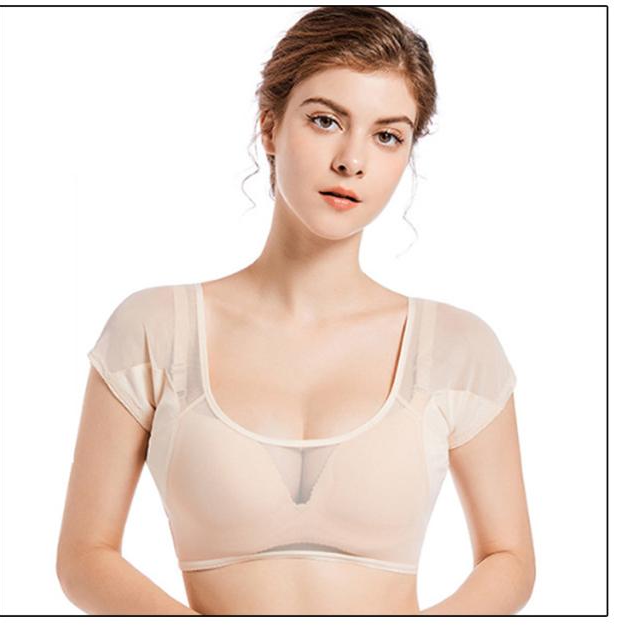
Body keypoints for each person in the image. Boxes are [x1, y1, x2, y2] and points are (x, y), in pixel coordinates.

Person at [56, 6, 535, 615]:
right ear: (270, 127)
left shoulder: (459, 348)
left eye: (387, 135)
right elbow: (84, 556)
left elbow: (509, 559)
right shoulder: (154, 330)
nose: (352, 160)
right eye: (326, 120)